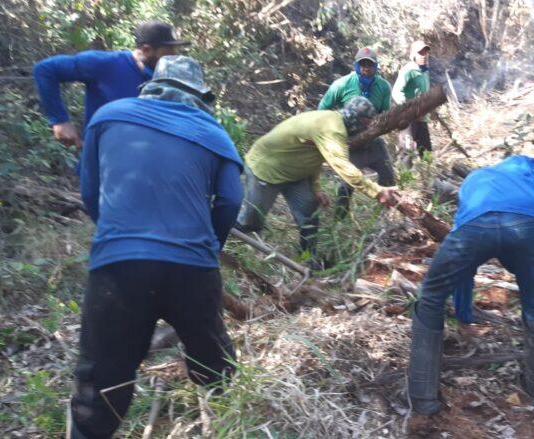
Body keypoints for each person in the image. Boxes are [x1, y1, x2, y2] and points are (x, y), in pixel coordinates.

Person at [69, 56, 243, 438]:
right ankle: (229, 422)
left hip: (118, 267)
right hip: (192, 269)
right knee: (214, 360)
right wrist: (208, 246)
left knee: (100, 378)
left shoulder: (108, 116)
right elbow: (230, 200)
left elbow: (89, 190)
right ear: (200, 95)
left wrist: (120, 235)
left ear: (150, 85)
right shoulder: (213, 133)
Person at [406, 155, 534, 415]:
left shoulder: (474, 178)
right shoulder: (526, 164)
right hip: (530, 225)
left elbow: (464, 263)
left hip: (477, 224)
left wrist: (463, 313)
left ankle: (422, 400)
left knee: (432, 295)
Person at [237, 97, 401, 269]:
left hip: (295, 174)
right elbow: (341, 165)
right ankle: (227, 251)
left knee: (309, 216)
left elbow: (314, 154)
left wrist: (316, 189)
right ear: (354, 118)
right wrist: (377, 191)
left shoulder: (332, 122)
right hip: (265, 170)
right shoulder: (332, 129)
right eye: (365, 122)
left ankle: (308, 262)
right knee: (250, 222)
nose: (367, 127)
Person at [33, 21, 189, 149]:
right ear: (146, 49)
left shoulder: (165, 78)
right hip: (102, 165)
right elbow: (46, 69)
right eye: (169, 51)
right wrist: (60, 121)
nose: (175, 56)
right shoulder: (106, 64)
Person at [318, 47, 396, 218]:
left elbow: (385, 115)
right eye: (362, 64)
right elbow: (322, 110)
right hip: (351, 144)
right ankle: (340, 220)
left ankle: (387, 218)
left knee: (388, 177)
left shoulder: (383, 87)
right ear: (356, 66)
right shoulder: (342, 84)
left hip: (373, 142)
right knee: (346, 185)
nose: (366, 68)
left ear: (376, 67)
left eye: (370, 64)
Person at [392, 40, 432, 165]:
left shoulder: (424, 71)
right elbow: (396, 92)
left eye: (425, 52)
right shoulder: (408, 70)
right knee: (406, 150)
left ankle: (429, 179)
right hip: (408, 118)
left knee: (426, 150)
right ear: (413, 54)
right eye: (421, 52)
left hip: (422, 117)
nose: (424, 55)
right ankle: (404, 182)